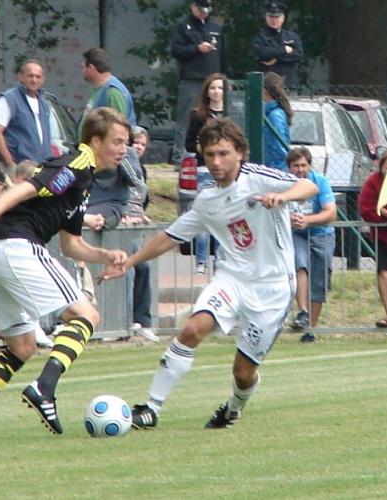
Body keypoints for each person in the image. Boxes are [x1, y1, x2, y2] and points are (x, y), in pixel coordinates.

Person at [100, 118, 318, 430]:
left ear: (240, 153)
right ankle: (150, 408)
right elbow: (170, 236)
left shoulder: (258, 178)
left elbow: (307, 185)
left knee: (243, 373)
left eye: (223, 154)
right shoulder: (207, 200)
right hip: (232, 280)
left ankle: (233, 407)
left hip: (273, 288)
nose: (216, 162)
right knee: (191, 330)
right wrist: (129, 262)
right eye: (210, 154)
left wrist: (283, 197)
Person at [0, 107, 129, 439]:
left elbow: (71, 245)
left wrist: (104, 255)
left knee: (22, 346)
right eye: (117, 141)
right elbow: (26, 188)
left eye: (125, 142)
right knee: (86, 315)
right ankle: (44, 388)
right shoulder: (77, 163)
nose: (123, 149)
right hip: (15, 245)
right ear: (96, 141)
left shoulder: (84, 181)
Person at [286, 147, 337, 343]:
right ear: (289, 167)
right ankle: (303, 311)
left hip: (321, 234)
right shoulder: (284, 183)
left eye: (303, 165)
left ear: (309, 165)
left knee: (319, 283)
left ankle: (310, 329)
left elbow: (330, 213)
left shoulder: (321, 182)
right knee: (300, 265)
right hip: (297, 233)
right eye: (295, 166)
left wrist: (309, 220)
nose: (299, 169)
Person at [171, 0, 227, 164]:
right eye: (201, 9)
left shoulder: (216, 27)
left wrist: (224, 77)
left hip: (213, 78)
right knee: (186, 117)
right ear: (193, 7)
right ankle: (179, 157)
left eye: (206, 9)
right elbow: (176, 50)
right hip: (192, 78)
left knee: (217, 116)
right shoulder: (183, 26)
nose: (204, 13)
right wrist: (196, 48)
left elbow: (223, 54)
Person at [185, 72, 228, 273]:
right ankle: (201, 261)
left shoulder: (231, 113)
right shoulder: (199, 115)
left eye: (220, 88)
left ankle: (220, 260)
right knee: (205, 213)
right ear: (207, 91)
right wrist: (202, 149)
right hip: (204, 170)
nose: (216, 91)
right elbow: (188, 142)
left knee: (223, 215)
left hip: (226, 172)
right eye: (212, 88)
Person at [359, 147, 387, 330]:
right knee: (384, 272)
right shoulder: (372, 182)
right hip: (384, 236)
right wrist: (384, 217)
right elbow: (366, 209)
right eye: (386, 166)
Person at [121, 126, 158, 342]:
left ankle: (142, 320)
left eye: (143, 144)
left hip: (136, 224)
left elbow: (141, 198)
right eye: (135, 142)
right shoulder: (120, 163)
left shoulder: (139, 170)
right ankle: (125, 321)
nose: (138, 147)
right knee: (129, 270)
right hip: (120, 224)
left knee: (142, 268)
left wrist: (141, 215)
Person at [0, 59, 54, 176]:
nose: (34, 80)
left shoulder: (44, 104)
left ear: (43, 79)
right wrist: (10, 164)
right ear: (20, 77)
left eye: (38, 77)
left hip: (39, 170)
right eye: (30, 76)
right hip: (17, 170)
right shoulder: (8, 99)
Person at [79, 47, 136, 138]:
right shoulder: (100, 90)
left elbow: (118, 129)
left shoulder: (112, 92)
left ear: (91, 67)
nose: (82, 71)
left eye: (83, 67)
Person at [252, 1, 303, 88]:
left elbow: (298, 55)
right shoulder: (260, 36)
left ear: (283, 18)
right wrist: (284, 50)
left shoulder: (292, 36)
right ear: (266, 18)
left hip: (288, 83)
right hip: (267, 83)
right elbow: (262, 53)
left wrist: (276, 58)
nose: (274, 20)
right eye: (271, 17)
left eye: (277, 17)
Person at [263, 72, 292, 171]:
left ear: (264, 90)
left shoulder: (275, 115)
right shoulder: (271, 112)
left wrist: (276, 168)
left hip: (276, 168)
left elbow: (279, 147)